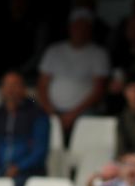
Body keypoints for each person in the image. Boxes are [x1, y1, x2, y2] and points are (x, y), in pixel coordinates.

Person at [37, 8, 109, 139]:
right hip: (52, 110)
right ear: (70, 27)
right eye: (76, 25)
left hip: (84, 112)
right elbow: (42, 84)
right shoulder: (54, 50)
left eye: (84, 26)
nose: (79, 30)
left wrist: (72, 115)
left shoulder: (98, 53)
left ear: (90, 29)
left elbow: (99, 90)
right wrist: (49, 110)